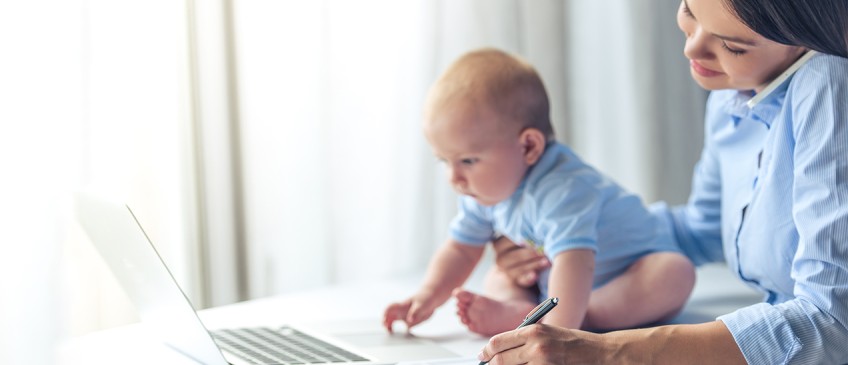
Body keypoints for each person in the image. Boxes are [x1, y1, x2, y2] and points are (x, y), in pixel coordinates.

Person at [478, 0, 848, 363]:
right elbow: (702, 231)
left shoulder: (829, 84)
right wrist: (573, 237)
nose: (691, 47)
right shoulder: (736, 94)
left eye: (732, 46)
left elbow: (832, 321)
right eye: (689, 11)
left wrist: (607, 351)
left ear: (809, 38)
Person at [382, 48, 696, 337]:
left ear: (529, 146)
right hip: (555, 286)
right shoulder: (484, 190)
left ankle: (563, 320)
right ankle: (522, 312)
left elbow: (575, 264)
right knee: (499, 275)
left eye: (467, 161)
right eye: (444, 161)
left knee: (674, 272)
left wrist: (556, 334)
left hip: (623, 277)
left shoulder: (563, 189)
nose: (455, 178)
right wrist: (426, 296)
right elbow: (461, 250)